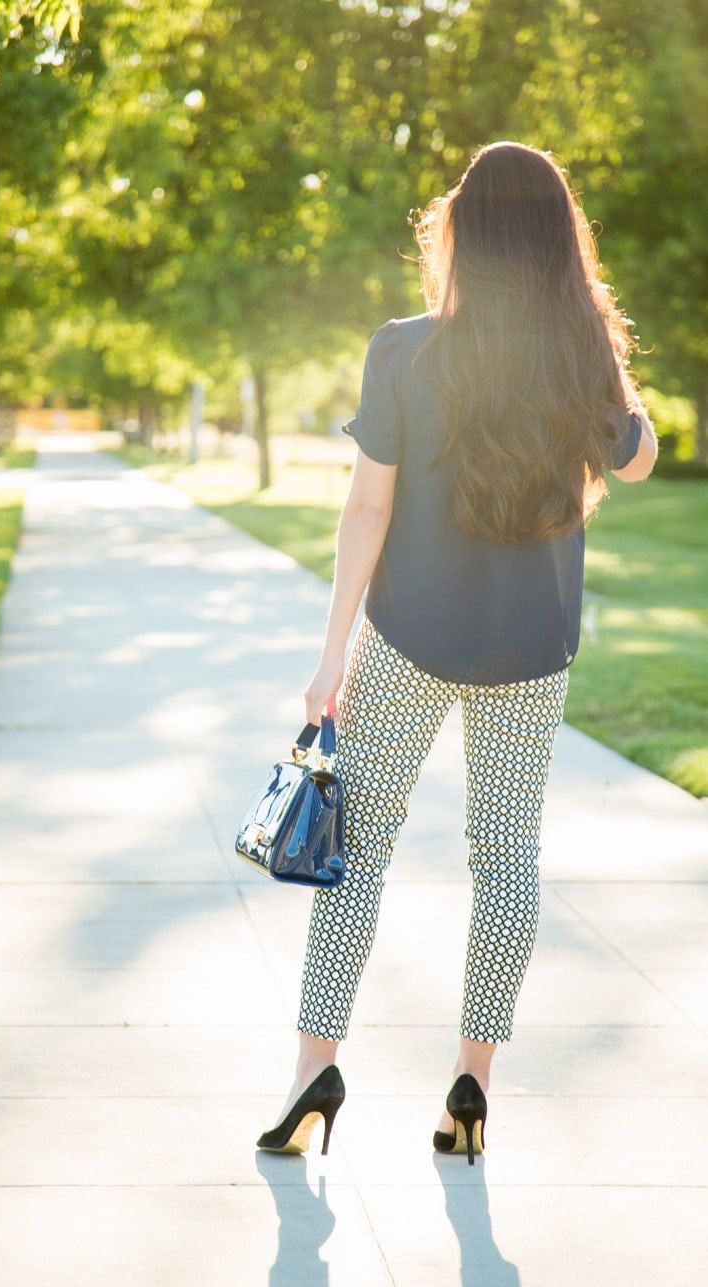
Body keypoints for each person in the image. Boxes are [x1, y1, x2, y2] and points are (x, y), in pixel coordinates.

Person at [256, 141, 657, 1165]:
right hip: (533, 647)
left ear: (462, 232)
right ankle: (472, 1086)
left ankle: (314, 1074)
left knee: (361, 850)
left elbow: (368, 505)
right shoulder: (577, 357)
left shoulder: (401, 348)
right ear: (560, 240)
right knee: (508, 858)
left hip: (406, 639)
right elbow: (640, 457)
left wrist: (331, 651)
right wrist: (608, 370)